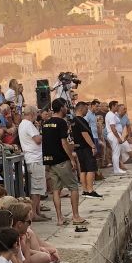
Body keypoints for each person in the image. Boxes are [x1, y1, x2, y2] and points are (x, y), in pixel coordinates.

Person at [41, 99, 88, 231]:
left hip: (50, 161)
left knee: (56, 190)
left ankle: (60, 218)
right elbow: (63, 142)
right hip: (61, 160)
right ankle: (76, 216)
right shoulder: (61, 122)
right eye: (65, 107)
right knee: (73, 187)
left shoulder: (46, 123)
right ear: (61, 108)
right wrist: (71, 159)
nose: (67, 109)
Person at [17, 104, 49, 218]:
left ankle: (38, 211)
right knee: (36, 187)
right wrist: (45, 134)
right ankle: (34, 214)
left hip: (33, 158)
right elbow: (37, 140)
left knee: (39, 186)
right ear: (32, 114)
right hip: (34, 158)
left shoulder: (23, 124)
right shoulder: (28, 124)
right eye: (36, 114)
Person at [71, 99, 100, 197]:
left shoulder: (73, 120)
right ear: (82, 108)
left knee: (83, 169)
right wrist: (93, 146)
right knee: (91, 168)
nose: (87, 111)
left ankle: (84, 190)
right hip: (85, 148)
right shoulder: (81, 120)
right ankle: (90, 190)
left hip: (79, 148)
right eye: (86, 109)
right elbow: (85, 134)